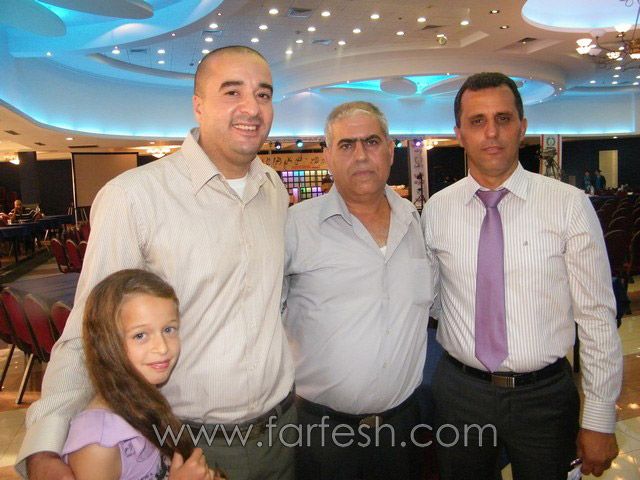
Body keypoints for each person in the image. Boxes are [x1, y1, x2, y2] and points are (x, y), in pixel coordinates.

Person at [17, 45, 296, 480]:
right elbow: (90, 328)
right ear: (198, 106)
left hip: (283, 432)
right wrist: (44, 447)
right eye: (232, 92)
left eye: (263, 94)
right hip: (185, 445)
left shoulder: (274, 190)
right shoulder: (134, 198)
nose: (252, 108)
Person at [421, 72, 622, 480]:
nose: (491, 132)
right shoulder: (437, 210)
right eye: (477, 121)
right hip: (460, 395)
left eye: (503, 118)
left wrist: (599, 418)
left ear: (522, 127)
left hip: (544, 398)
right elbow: (435, 300)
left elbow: (597, 318)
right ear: (459, 134)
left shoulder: (568, 205)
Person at [283, 101, 436, 479]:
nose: (361, 155)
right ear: (328, 156)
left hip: (404, 429)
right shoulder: (295, 227)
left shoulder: (418, 224)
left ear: (390, 150)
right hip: (321, 433)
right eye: (347, 145)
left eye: (371, 142)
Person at [63, 269, 219, 480]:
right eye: (140, 335)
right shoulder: (98, 445)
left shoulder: (143, 400)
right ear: (106, 343)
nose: (162, 348)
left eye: (169, 329)